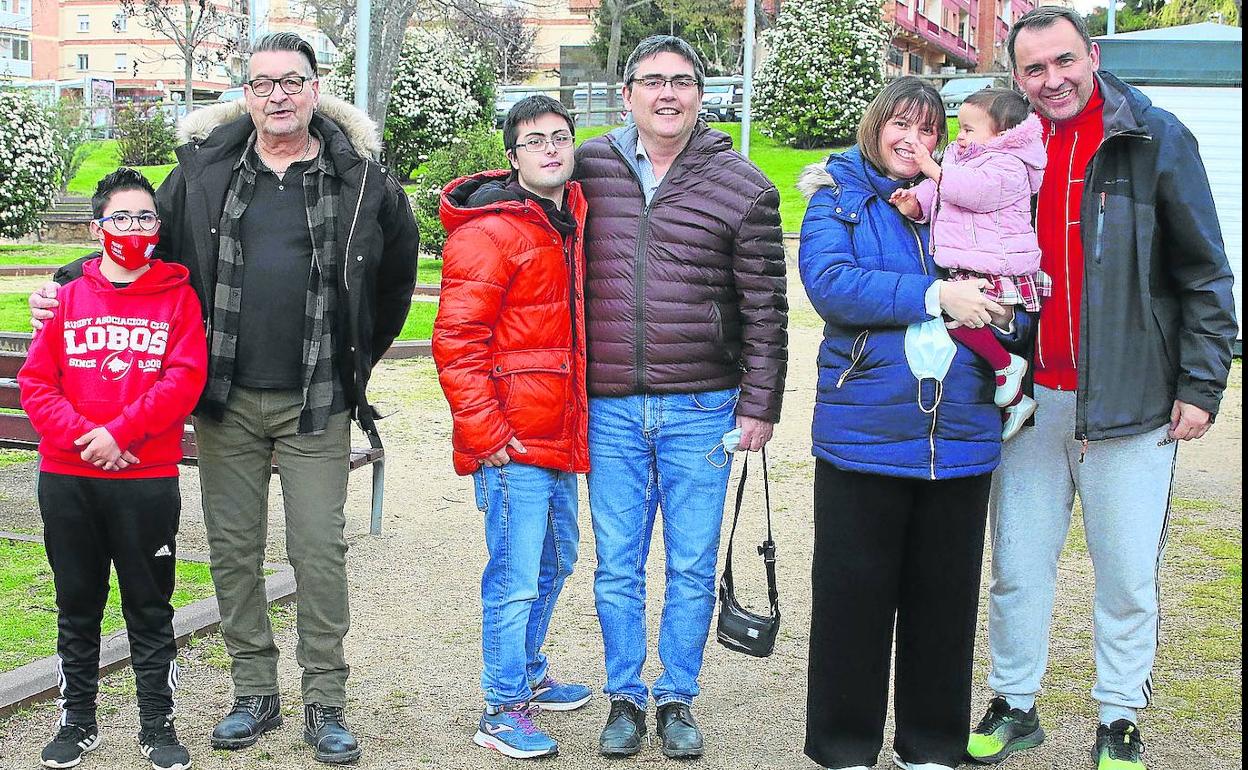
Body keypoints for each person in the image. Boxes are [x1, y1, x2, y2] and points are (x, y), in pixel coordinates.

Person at [29, 32, 419, 765]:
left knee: (318, 551)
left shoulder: (359, 177)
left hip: (318, 397)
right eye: (264, 82)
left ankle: (325, 702)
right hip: (226, 399)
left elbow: (395, 278)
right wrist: (68, 276)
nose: (279, 95)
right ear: (246, 93)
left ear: (315, 88)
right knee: (235, 554)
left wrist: (357, 359)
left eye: (293, 81)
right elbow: (146, 242)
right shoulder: (205, 174)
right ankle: (254, 693)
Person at [966, 8, 1238, 770]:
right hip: (1028, 403)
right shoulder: (1013, 147)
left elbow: (1205, 273)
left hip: (1133, 403)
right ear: (1016, 77)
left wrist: (1201, 384)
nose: (1052, 80)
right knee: (1017, 570)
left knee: (1124, 577)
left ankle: (1120, 719)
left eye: (1063, 61)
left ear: (1092, 54)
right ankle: (1014, 704)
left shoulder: (1155, 138)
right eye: (1033, 69)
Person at [797, 76, 1024, 770]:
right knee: (851, 602)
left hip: (960, 430)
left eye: (930, 130)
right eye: (902, 124)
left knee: (944, 603)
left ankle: (931, 746)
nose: (915, 141)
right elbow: (831, 283)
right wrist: (935, 293)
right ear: (876, 125)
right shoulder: (839, 194)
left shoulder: (968, 196)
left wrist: (1009, 313)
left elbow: (1015, 275)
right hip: (864, 431)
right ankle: (844, 748)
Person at [573, 35, 789, 759]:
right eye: (653, 80)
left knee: (693, 564)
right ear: (627, 91)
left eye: (683, 81)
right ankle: (625, 696)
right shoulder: (588, 169)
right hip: (610, 406)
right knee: (618, 563)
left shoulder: (744, 185)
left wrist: (760, 404)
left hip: (703, 405)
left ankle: (677, 697)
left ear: (703, 93)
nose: (668, 93)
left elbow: (765, 308)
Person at [19, 169, 208, 770]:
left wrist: (119, 434)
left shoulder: (178, 297)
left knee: (149, 606)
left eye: (145, 217)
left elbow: (184, 379)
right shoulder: (68, 298)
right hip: (70, 480)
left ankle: (157, 723)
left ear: (158, 226)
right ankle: (78, 720)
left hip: (145, 479)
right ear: (98, 228)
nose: (134, 228)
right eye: (121, 218)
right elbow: (35, 383)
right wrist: (86, 439)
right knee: (78, 603)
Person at [432, 95, 592, 760]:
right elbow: (456, 340)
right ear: (513, 156)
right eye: (535, 141)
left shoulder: (567, 219)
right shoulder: (488, 233)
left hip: (556, 428)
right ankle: (502, 708)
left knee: (558, 558)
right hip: (512, 439)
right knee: (515, 574)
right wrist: (487, 434)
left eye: (560, 136)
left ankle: (526, 672)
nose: (550, 148)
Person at [890, 88, 1048, 440]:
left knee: (960, 322)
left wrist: (930, 168)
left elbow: (970, 191)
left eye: (968, 129)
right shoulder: (960, 160)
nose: (959, 136)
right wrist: (915, 202)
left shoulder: (1009, 166)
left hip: (999, 267)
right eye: (958, 128)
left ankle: (1008, 369)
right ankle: (1014, 395)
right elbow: (940, 191)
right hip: (972, 265)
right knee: (958, 323)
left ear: (1002, 134)